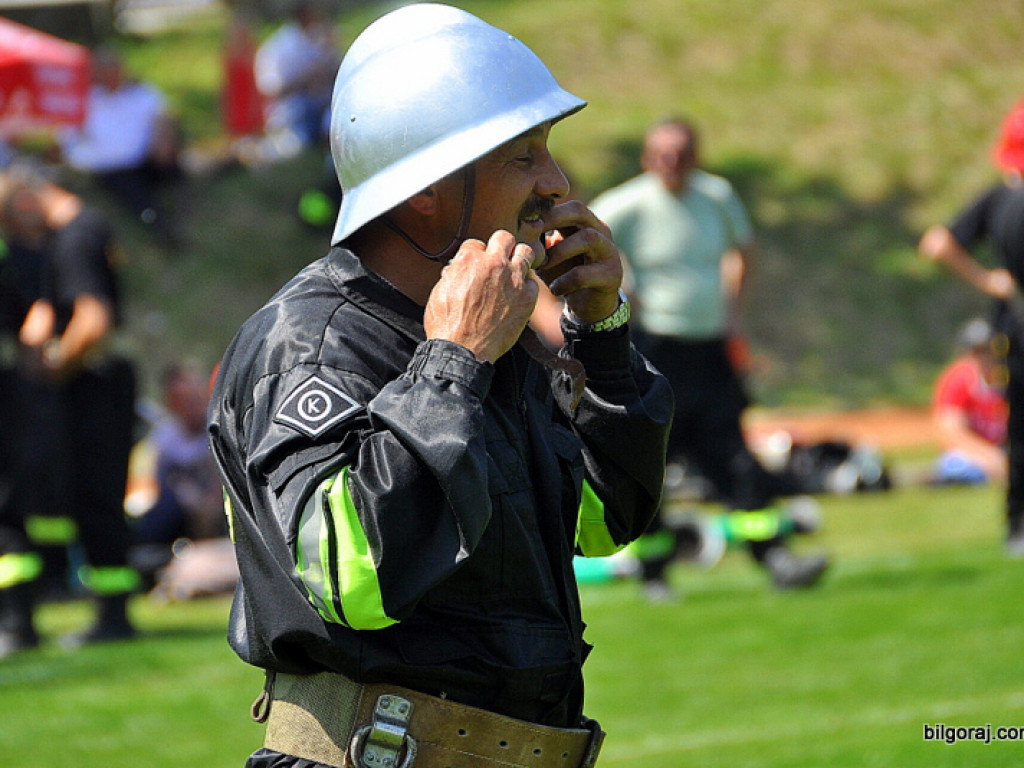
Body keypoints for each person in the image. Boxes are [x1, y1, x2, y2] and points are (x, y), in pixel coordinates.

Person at [207, 5, 672, 768]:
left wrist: (602, 332)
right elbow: (354, 578)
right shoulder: (313, 342)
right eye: (523, 157)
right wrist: (453, 361)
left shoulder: (494, 329)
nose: (556, 184)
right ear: (428, 186)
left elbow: (600, 519)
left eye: (547, 150)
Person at [590, 117, 829, 596]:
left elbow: (744, 250)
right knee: (651, 464)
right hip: (656, 351)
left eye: (680, 154)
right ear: (646, 158)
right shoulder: (626, 203)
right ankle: (654, 573)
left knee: (735, 458)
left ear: (696, 156)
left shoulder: (716, 197)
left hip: (710, 349)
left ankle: (776, 557)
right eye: (661, 154)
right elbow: (575, 241)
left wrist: (734, 311)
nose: (671, 163)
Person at [0, 169, 140, 645]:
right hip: (102, 381)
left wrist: (52, 367)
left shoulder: (75, 237)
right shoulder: (85, 230)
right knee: (95, 496)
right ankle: (111, 616)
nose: (20, 238)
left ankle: (113, 620)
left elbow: (93, 320)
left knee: (96, 497)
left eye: (14, 225)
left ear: (26, 201)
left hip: (93, 382)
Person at [918, 99, 1024, 555]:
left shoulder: (999, 199)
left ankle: (1018, 526)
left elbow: (937, 243)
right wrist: (987, 280)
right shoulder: (1004, 198)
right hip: (1016, 328)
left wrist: (988, 280)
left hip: (1013, 323)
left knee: (1020, 430)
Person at [58, 47, 182, 243]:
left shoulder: (140, 93)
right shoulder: (83, 101)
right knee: (134, 194)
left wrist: (162, 140)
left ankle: (181, 200)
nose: (112, 76)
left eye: (115, 70)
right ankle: (160, 226)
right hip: (112, 168)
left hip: (147, 159)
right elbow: (69, 142)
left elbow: (163, 115)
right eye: (105, 71)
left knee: (173, 168)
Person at [131, 362, 226, 583]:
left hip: (213, 513)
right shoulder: (165, 438)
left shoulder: (216, 432)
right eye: (181, 400)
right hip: (177, 513)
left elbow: (219, 486)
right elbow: (154, 485)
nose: (191, 406)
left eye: (193, 398)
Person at [253, 0, 340, 156]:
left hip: (321, 100)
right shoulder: (279, 47)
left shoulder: (317, 37)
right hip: (294, 110)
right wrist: (304, 80)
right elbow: (270, 89)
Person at [930, 317, 1008, 485]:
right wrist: (991, 458)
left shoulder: (1011, 378)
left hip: (1006, 451)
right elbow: (950, 433)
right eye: (978, 351)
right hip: (971, 455)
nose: (987, 357)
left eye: (990, 350)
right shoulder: (958, 379)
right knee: (956, 468)